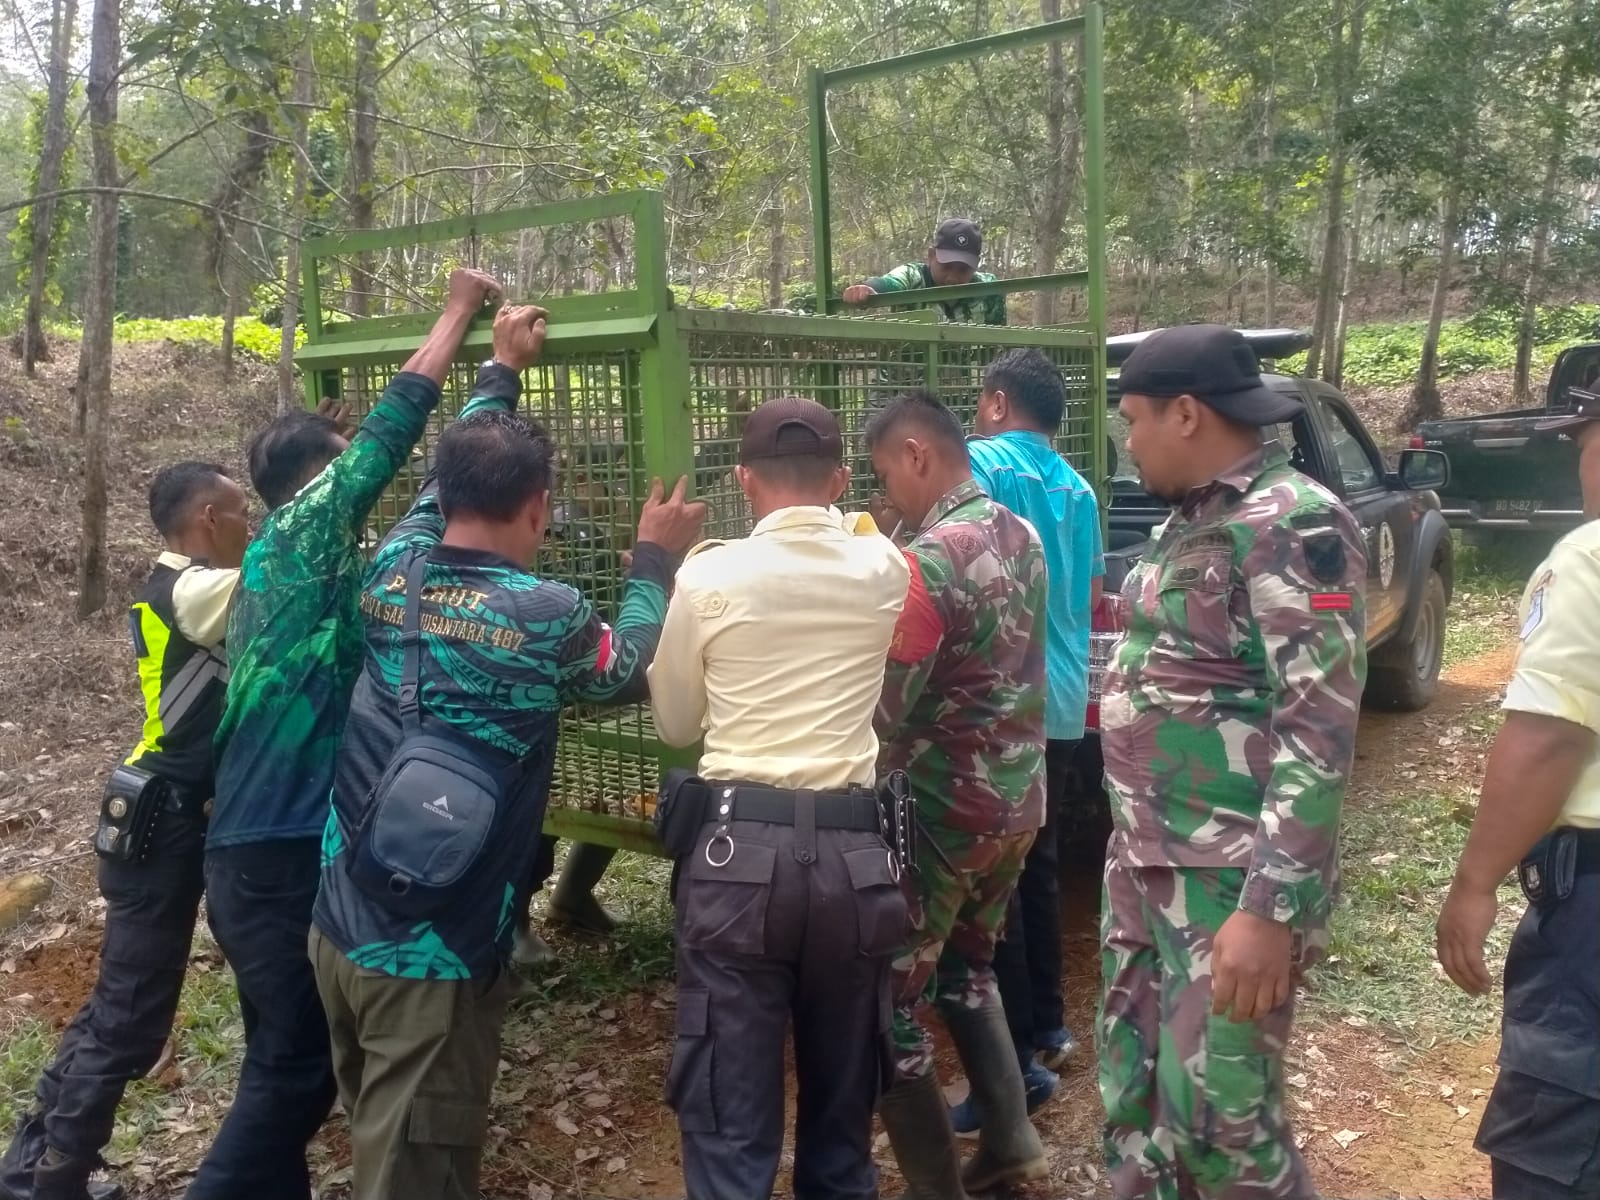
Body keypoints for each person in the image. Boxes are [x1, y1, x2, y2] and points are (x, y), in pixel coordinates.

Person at [308, 303, 706, 1199]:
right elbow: (628, 665)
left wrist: (498, 375)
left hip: (339, 918)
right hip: (430, 952)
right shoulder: (544, 614)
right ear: (540, 508)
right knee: (416, 1170)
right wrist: (653, 559)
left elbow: (436, 496)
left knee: (378, 1131)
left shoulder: (391, 570)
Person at [187, 268, 505, 1200]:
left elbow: (425, 512)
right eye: (345, 469)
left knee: (278, 1058)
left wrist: (498, 387)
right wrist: (460, 314)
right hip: (276, 851)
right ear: (319, 483)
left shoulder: (297, 570)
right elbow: (396, 427)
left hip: (251, 851)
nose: (363, 484)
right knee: (294, 1077)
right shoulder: (297, 535)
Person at [1099, 325, 1367, 1199]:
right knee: (1137, 1106)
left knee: (1224, 1128)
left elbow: (1318, 729)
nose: (1128, 441)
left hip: (1229, 881)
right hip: (1147, 867)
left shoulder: (1296, 522)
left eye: (1133, 421)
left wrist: (1269, 909)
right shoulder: (1191, 522)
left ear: (1185, 414)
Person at [647, 395, 911, 1200]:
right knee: (842, 1114)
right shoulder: (885, 568)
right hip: (858, 863)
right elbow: (870, 541)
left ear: (741, 479)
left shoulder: (708, 573)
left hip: (736, 860)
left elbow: (675, 721)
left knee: (730, 1116)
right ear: (839, 479)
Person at [0, 465, 246, 1200]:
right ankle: (56, 1180)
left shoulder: (180, 587)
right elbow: (292, 559)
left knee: (118, 1007)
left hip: (155, 814)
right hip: (162, 821)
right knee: (132, 1021)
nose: (251, 525)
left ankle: (30, 1167)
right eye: (240, 512)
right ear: (207, 518)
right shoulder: (190, 589)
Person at [867, 392, 1049, 1199]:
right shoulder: (1024, 535)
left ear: (916, 454)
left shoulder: (931, 559)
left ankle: (933, 1186)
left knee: (890, 997)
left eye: (886, 475)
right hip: (1017, 798)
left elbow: (888, 705)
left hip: (941, 809)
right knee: (970, 969)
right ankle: (1011, 1138)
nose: (889, 494)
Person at [1436, 387, 1600, 1198]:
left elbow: (1550, 738)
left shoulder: (1589, 557)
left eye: (1584, 443)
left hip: (1593, 912)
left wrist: (1474, 884)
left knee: (1554, 1149)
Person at [955, 347, 1104, 1128]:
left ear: (998, 401)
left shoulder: (979, 464)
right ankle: (1049, 1022)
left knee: (994, 878)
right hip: (1066, 694)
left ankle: (1010, 1061)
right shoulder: (1077, 486)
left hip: (1003, 693)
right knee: (1036, 861)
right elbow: (1090, 591)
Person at [841, 219, 1006, 326]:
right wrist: (866, 289)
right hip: (905, 379)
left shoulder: (987, 289)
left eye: (963, 270)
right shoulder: (913, 276)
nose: (953, 277)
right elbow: (889, 282)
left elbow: (1000, 346)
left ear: (976, 265)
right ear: (931, 255)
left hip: (963, 379)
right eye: (947, 266)